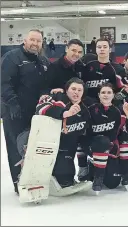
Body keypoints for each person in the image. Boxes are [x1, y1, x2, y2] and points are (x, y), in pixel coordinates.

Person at [1, 29, 50, 194]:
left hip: (36, 113)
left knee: (35, 147)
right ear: (25, 40)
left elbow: (46, 83)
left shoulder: (43, 60)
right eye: (32, 40)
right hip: (15, 112)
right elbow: (4, 82)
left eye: (38, 41)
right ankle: (19, 182)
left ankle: (35, 179)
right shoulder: (12, 57)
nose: (35, 44)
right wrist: (12, 103)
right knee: (17, 147)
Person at [33, 78, 91, 190]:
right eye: (73, 89)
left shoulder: (86, 107)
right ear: (67, 90)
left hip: (70, 146)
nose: (76, 92)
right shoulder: (58, 99)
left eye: (79, 90)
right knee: (62, 176)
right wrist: (64, 113)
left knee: (67, 179)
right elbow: (40, 109)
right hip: (50, 144)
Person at [77, 83, 128, 194]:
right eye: (103, 92)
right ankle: (96, 177)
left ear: (114, 95)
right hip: (92, 146)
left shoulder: (118, 111)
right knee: (101, 140)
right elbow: (82, 132)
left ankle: (125, 174)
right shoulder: (90, 110)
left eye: (109, 92)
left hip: (110, 147)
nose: (106, 95)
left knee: (112, 183)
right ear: (98, 95)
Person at [81, 38, 125, 102]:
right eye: (99, 47)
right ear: (96, 49)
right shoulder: (86, 65)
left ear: (110, 50)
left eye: (105, 47)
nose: (102, 49)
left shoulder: (118, 69)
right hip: (88, 104)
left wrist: (113, 100)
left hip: (108, 105)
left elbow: (125, 89)